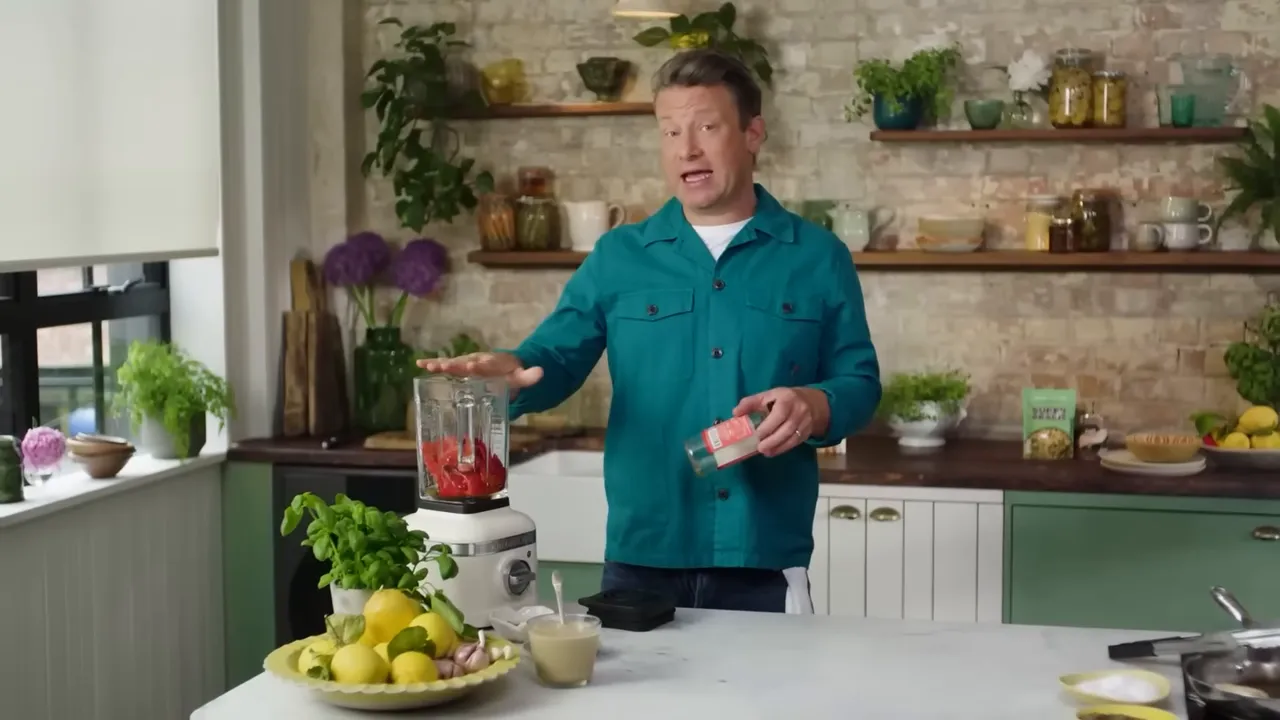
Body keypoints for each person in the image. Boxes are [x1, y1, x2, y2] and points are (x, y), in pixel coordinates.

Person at [420, 48, 881, 614]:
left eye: (707, 127)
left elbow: (859, 382)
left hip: (763, 556)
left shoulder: (818, 256)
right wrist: (508, 374)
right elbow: (552, 357)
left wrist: (816, 404)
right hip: (641, 556)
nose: (687, 149)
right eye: (670, 131)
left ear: (753, 133)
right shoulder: (619, 256)